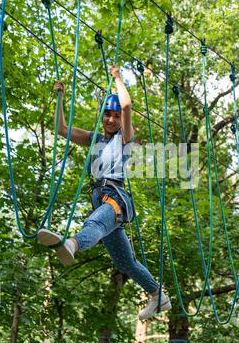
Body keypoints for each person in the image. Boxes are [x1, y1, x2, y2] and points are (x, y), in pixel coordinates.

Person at [37, 65, 171, 320]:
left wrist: (118, 79)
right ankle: (158, 296)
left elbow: (128, 106)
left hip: (116, 198)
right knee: (125, 263)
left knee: (95, 224)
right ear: (102, 116)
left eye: (115, 116)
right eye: (107, 115)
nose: (111, 119)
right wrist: (60, 98)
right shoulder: (94, 138)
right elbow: (62, 129)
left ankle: (72, 244)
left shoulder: (125, 138)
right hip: (101, 198)